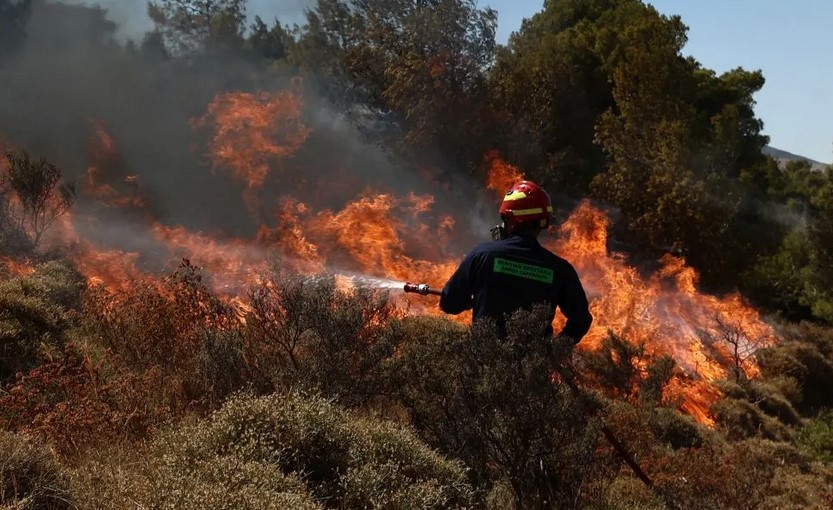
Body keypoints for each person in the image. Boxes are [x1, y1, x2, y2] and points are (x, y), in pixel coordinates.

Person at [439, 180, 592, 344]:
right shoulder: (560, 269)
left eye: (505, 218)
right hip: (533, 367)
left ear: (512, 222)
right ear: (543, 223)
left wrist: (469, 302)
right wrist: (552, 352)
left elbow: (449, 303)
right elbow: (581, 320)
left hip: (483, 364)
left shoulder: (482, 255)